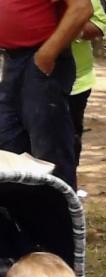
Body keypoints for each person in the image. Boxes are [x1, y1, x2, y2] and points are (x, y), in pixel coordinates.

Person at [0, 0, 93, 189]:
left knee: (50, 152)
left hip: (40, 59)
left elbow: (82, 8)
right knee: (9, 146)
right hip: (13, 60)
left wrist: (46, 55)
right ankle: (20, 215)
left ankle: (58, 215)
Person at [69, 0, 106, 182]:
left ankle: (67, 193)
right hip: (19, 79)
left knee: (68, 143)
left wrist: (65, 28)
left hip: (74, 84)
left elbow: (97, 26)